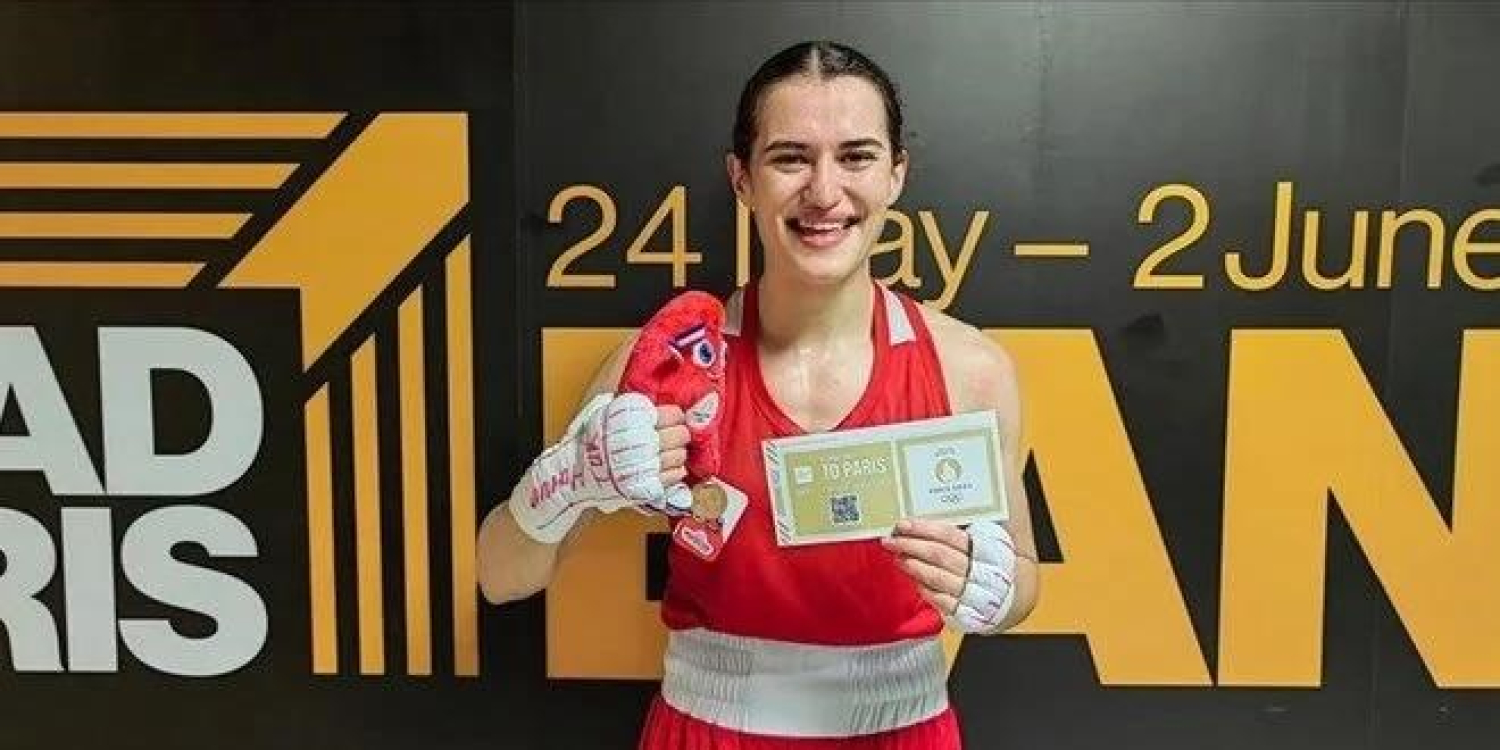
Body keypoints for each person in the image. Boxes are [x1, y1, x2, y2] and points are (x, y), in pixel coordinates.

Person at [477, 40, 1040, 749]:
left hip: (906, 728)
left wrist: (992, 591)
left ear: (896, 174)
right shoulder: (672, 366)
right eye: (790, 158)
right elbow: (499, 575)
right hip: (708, 729)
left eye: (857, 157)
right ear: (741, 178)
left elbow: (1021, 577)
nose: (825, 192)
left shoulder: (969, 369)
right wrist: (568, 481)